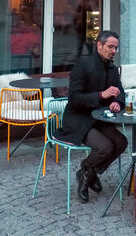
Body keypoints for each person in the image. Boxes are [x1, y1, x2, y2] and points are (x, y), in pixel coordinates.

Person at [54, 30, 128, 203]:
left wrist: (117, 102)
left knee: (121, 142)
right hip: (79, 120)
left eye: (116, 48)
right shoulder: (82, 66)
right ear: (99, 45)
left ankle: (87, 172)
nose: (113, 51)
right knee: (104, 147)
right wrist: (102, 95)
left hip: (100, 120)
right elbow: (74, 98)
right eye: (110, 47)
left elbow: (120, 92)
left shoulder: (112, 69)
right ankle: (87, 172)